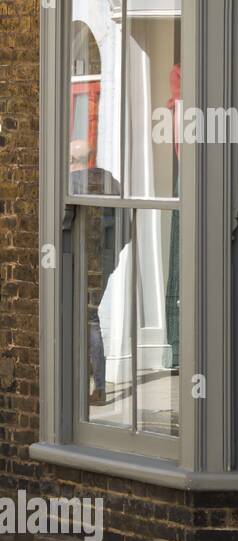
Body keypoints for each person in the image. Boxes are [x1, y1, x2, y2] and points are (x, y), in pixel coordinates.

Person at [68, 139, 122, 405]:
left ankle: (95, 386)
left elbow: (63, 222)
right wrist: (112, 257)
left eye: (70, 159)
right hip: (103, 263)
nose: (67, 164)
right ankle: (95, 384)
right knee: (90, 319)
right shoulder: (110, 180)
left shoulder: (75, 181)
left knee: (87, 320)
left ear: (78, 161)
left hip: (80, 262)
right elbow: (124, 226)